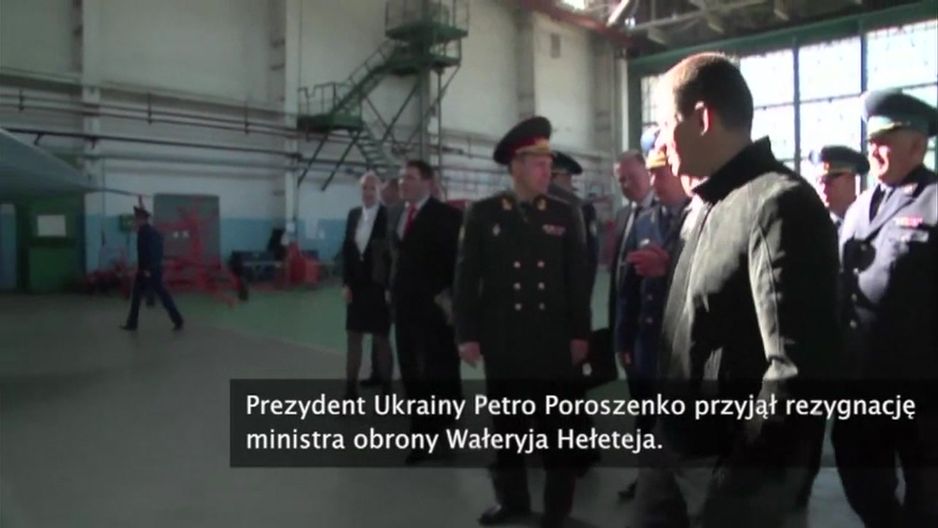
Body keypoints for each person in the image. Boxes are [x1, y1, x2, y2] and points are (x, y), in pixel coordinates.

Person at [633, 52, 840, 527]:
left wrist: (738, 484)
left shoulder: (778, 204)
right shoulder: (704, 207)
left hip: (729, 474)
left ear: (702, 119)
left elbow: (799, 373)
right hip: (674, 450)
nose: (661, 140)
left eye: (665, 124)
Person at [453, 116, 590, 528]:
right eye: (539, 164)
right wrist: (466, 335)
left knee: (557, 433)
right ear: (516, 166)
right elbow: (466, 278)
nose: (548, 171)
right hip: (504, 342)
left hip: (552, 343)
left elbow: (577, 280)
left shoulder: (566, 214)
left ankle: (557, 510)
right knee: (507, 430)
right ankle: (512, 501)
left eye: (549, 164)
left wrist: (580, 333)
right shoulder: (483, 214)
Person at [833, 90, 938, 528]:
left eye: (885, 140)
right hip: (860, 384)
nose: (873, 150)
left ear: (918, 145)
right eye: (871, 141)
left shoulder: (933, 201)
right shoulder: (859, 208)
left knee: (927, 498)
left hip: (921, 389)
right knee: (860, 482)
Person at [388, 159, 462, 464]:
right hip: (404, 309)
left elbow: (459, 264)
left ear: (428, 183)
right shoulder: (398, 215)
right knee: (411, 372)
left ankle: (443, 432)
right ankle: (421, 433)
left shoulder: (448, 217)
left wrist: (452, 302)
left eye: (410, 177)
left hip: (435, 311)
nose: (403, 182)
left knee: (440, 371)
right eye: (401, 177)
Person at [609, 139, 656, 501]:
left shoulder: (667, 214)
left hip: (655, 337)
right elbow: (619, 283)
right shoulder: (625, 216)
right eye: (621, 180)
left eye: (631, 176)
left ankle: (661, 484)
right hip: (630, 336)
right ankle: (646, 479)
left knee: (660, 414)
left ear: (648, 172)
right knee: (642, 412)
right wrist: (620, 336)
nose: (626, 184)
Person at [341, 172, 393, 399]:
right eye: (364, 188)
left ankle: (387, 391)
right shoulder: (353, 215)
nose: (368, 192)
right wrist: (346, 283)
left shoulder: (387, 216)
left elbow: (392, 255)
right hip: (357, 287)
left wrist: (389, 287)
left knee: (381, 339)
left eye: (372, 188)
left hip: (378, 287)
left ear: (379, 190)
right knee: (353, 338)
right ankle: (350, 391)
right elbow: (347, 250)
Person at [361, 177, 402, 389]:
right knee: (378, 332)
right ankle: (378, 373)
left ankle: (387, 379)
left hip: (391, 283)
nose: (381, 194)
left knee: (388, 334)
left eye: (384, 190)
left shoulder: (398, 213)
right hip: (378, 282)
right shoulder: (382, 214)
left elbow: (391, 251)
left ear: (394, 190)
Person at [121, 204, 184, 331]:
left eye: (136, 218)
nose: (135, 221)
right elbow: (144, 253)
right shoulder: (144, 232)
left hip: (151, 271)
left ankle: (178, 320)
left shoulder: (149, 233)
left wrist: (148, 269)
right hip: (144, 270)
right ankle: (132, 323)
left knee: (163, 295)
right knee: (137, 296)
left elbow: (154, 252)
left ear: (142, 219)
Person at [549, 151, 599, 293]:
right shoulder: (538, 207)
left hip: (570, 287)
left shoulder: (582, 209)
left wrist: (583, 295)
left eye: (553, 176)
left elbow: (590, 258)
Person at [810, 145, 868, 234]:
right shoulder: (813, 228)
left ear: (850, 178)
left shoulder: (870, 220)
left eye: (829, 180)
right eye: (820, 181)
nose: (824, 188)